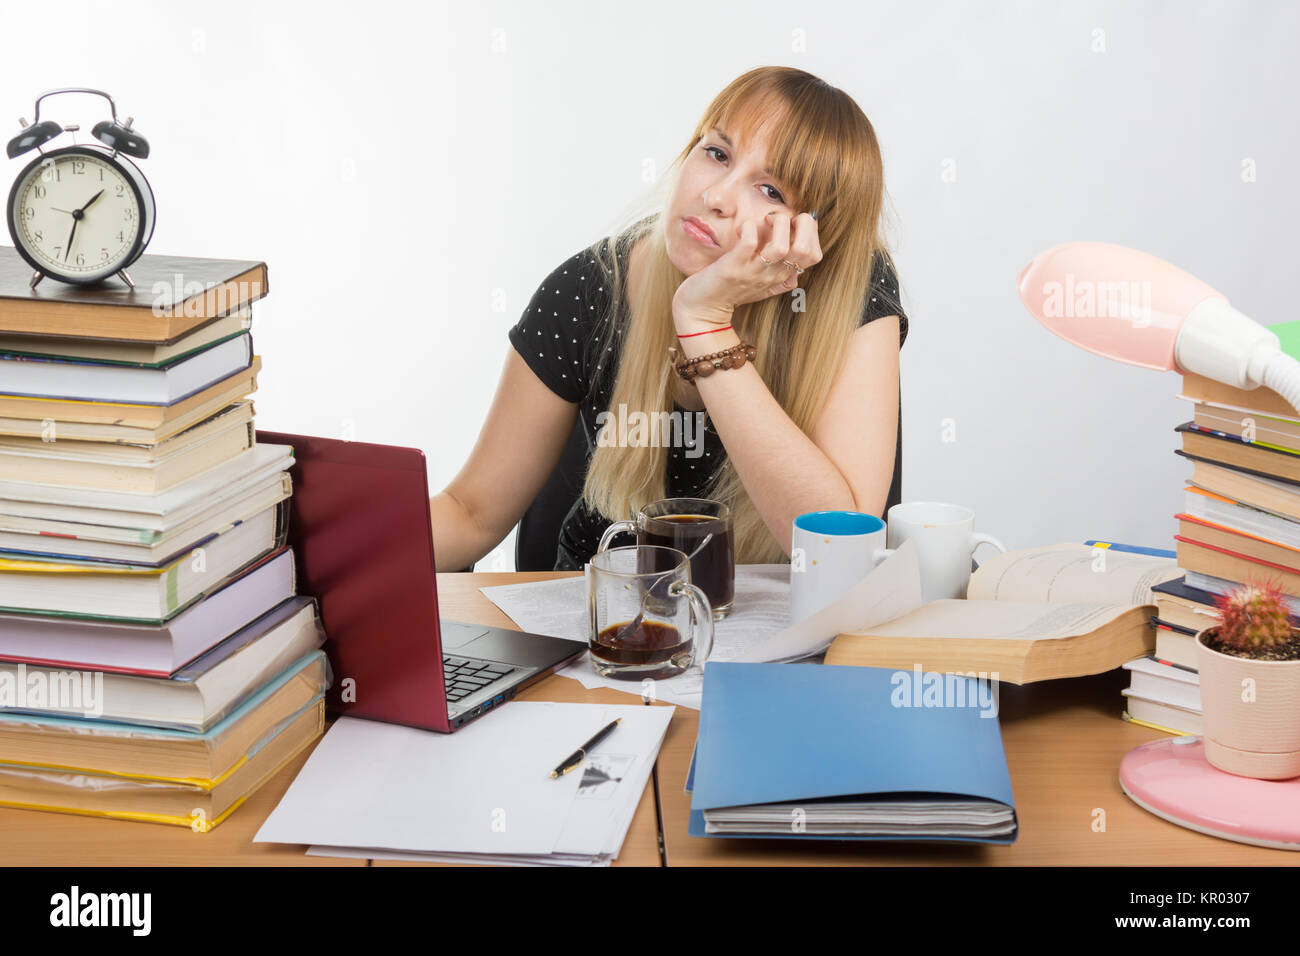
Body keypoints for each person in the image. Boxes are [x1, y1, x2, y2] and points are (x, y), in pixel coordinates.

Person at [430, 66, 908, 571]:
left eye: (771, 191)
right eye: (717, 153)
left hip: (773, 634)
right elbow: (471, 513)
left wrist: (704, 322)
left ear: (813, 236)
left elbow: (834, 549)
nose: (717, 197)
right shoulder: (589, 289)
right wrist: (348, 548)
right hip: (605, 625)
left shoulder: (857, 290)